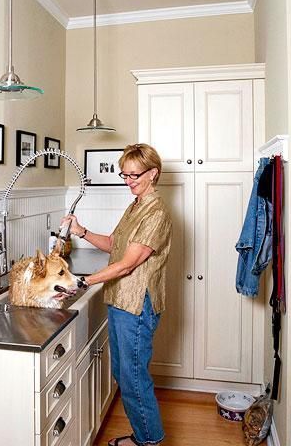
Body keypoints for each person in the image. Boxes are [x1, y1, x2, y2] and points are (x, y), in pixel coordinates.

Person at [61, 143, 172, 446]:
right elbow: (114, 244)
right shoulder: (136, 205)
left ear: (153, 174)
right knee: (125, 373)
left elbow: (126, 265)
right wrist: (81, 231)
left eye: (134, 175)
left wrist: (83, 282)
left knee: (133, 377)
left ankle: (149, 440)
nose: (128, 181)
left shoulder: (156, 212)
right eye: (124, 175)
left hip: (137, 303)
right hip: (121, 299)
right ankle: (145, 436)